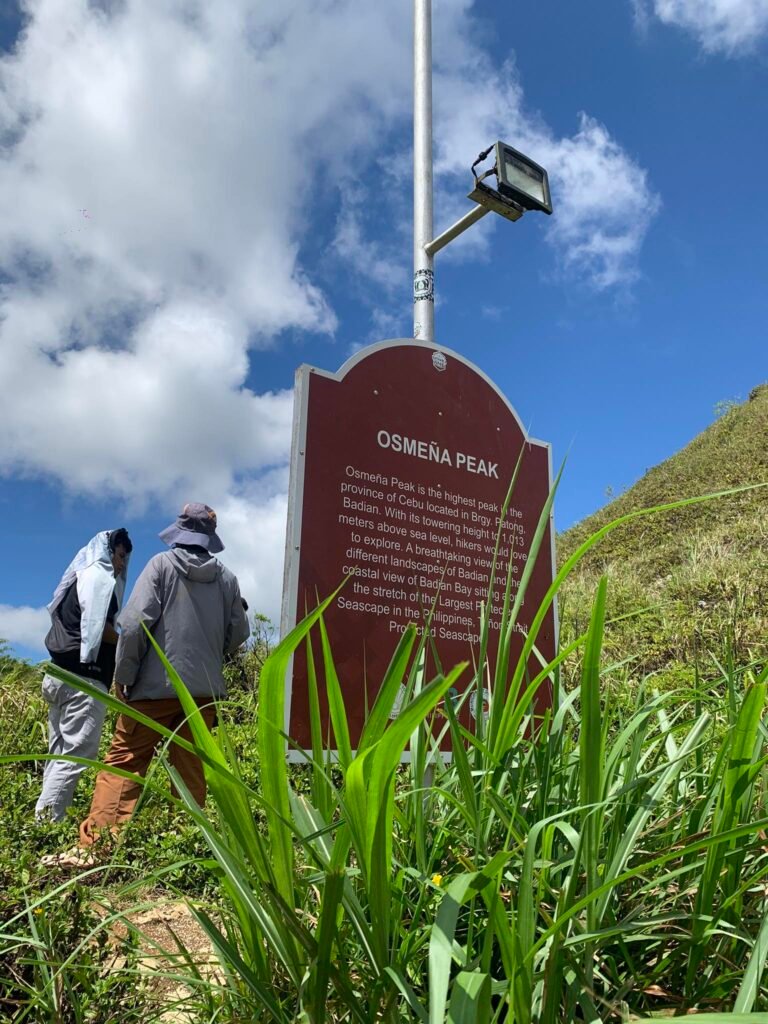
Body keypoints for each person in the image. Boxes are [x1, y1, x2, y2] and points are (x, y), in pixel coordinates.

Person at [74, 503, 249, 853]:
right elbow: (238, 633)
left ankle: (100, 846)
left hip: (152, 691)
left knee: (126, 759)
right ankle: (184, 844)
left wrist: (124, 675)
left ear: (180, 530)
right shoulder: (228, 579)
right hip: (203, 695)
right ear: (209, 538)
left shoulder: (161, 565)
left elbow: (135, 623)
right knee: (190, 767)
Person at [35, 528, 133, 821]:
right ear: (106, 551)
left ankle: (45, 819)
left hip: (58, 676)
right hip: (83, 681)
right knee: (76, 755)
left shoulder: (76, 579)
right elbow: (98, 626)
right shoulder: (97, 581)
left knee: (60, 752)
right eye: (119, 555)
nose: (122, 564)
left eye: (126, 558)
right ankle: (48, 823)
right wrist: (129, 642)